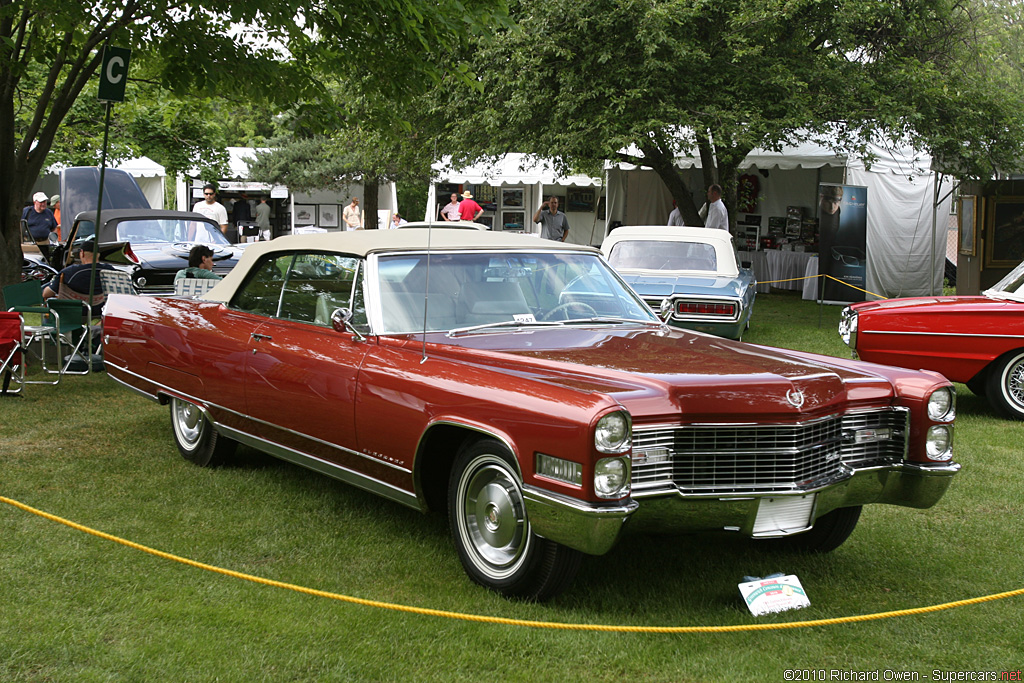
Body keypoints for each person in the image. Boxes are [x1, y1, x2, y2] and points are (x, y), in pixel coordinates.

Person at [42, 239, 113, 308]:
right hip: (100, 310)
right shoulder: (109, 271)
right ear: (98, 254)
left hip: (74, 310)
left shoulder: (71, 272)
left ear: (82, 253)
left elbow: (47, 294)